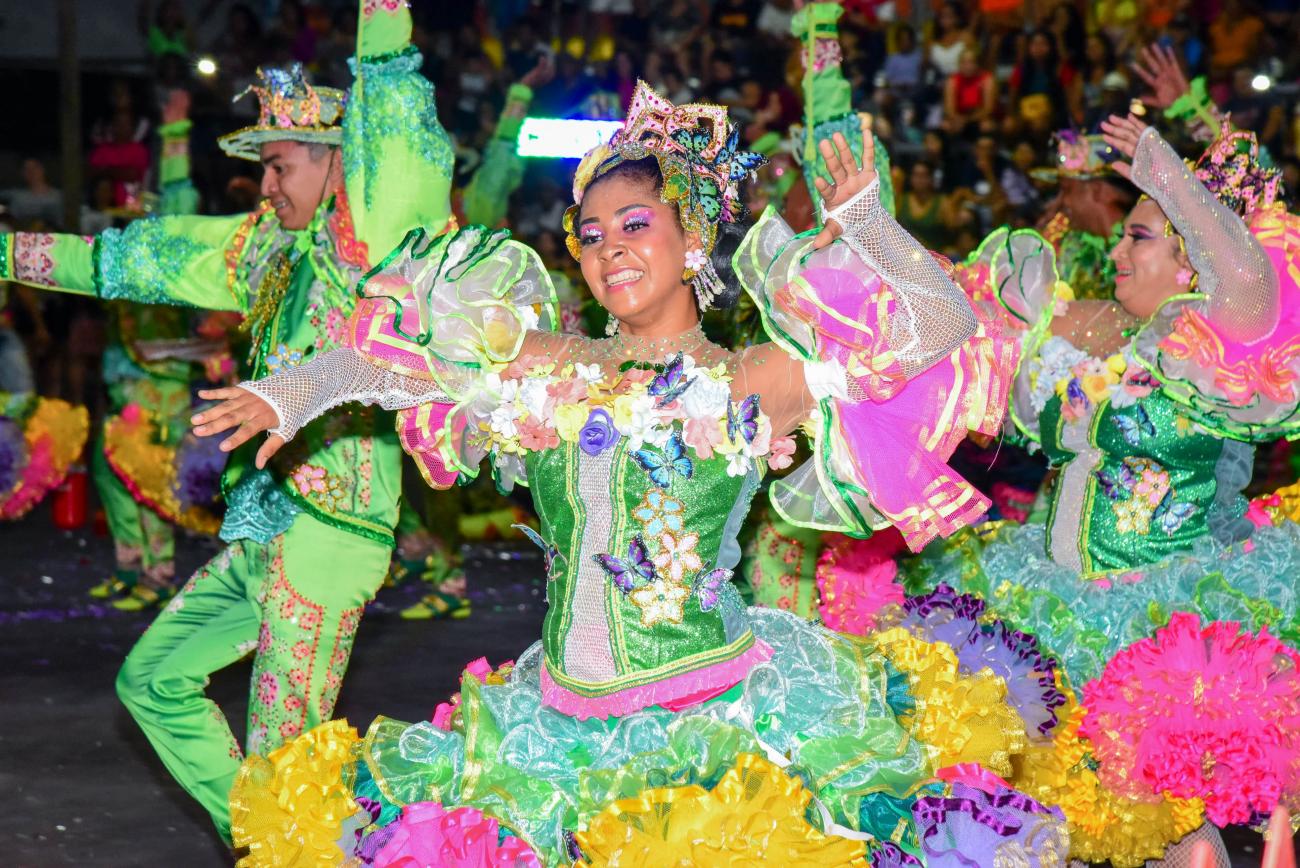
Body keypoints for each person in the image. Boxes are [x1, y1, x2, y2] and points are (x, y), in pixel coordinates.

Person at [193, 83, 1031, 865]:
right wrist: (293, 393)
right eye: (590, 236)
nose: (609, 250)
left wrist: (870, 226)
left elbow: (944, 327)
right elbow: (406, 365)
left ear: (693, 240)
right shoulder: (550, 361)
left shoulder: (754, 377)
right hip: (553, 720)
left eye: (634, 225)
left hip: (715, 718)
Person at [0, 0, 453, 844]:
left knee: (289, 767)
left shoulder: (378, 237)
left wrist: (383, 19)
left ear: (340, 161)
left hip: (331, 539)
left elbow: (391, 96)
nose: (266, 185)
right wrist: (4, 254)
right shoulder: (263, 251)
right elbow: (122, 260)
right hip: (263, 533)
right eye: (265, 168)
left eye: (280, 166)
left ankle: (291, 846)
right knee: (152, 681)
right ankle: (267, 842)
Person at [904, 116, 1300, 864]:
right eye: (1120, 236)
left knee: (1168, 828)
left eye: (1138, 237)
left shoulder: (1217, 354)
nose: (1116, 252)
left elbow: (1248, 279)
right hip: (1057, 605)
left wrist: (1165, 172)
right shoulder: (1100, 345)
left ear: (1191, 266)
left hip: (1155, 629)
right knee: (1076, 825)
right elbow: (983, 359)